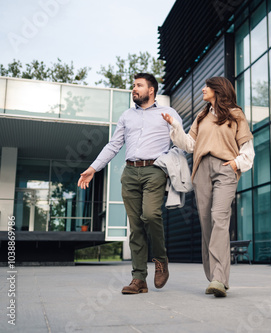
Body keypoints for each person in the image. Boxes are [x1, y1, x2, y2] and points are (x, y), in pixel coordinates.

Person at [78, 73, 182, 294]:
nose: (134, 89)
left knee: (151, 215)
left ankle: (161, 259)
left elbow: (180, 140)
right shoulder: (127, 116)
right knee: (135, 227)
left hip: (155, 170)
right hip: (130, 173)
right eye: (133, 85)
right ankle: (139, 279)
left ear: (151, 90)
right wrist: (93, 168)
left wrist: (172, 163)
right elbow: (113, 145)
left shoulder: (169, 113)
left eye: (139, 85)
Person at [162, 76, 254, 297]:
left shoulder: (235, 114)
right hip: (201, 170)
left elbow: (247, 149)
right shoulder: (201, 116)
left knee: (219, 218)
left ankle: (219, 279)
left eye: (206, 87)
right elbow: (190, 145)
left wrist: (235, 163)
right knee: (206, 224)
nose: (203, 89)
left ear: (218, 90)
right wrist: (175, 126)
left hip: (225, 169)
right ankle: (213, 275)